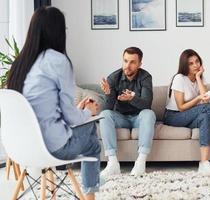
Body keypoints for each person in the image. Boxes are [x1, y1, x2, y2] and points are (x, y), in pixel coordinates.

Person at [7, 7, 100, 200]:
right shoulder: (57, 60)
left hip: (19, 148)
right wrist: (88, 112)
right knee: (92, 137)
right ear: (57, 32)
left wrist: (78, 110)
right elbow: (70, 117)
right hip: (52, 147)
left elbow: (42, 110)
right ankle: (90, 197)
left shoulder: (19, 64)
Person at [99, 47, 156, 177]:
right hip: (121, 118)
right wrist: (108, 93)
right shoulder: (113, 78)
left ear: (140, 64)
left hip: (138, 118)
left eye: (132, 62)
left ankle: (141, 162)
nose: (127, 66)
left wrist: (132, 98)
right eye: (125, 61)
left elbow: (147, 104)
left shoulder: (145, 77)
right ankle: (113, 163)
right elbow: (107, 108)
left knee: (149, 114)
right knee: (104, 115)